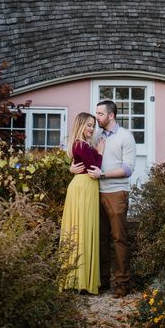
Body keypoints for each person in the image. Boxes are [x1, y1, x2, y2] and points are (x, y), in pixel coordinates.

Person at [72, 99, 136, 298]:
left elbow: (128, 169)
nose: (96, 117)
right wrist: (71, 168)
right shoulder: (96, 135)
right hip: (93, 193)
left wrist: (103, 174)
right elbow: (81, 156)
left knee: (119, 239)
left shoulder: (126, 137)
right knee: (98, 239)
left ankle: (122, 284)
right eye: (96, 114)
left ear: (111, 115)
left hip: (116, 193)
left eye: (100, 114)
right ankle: (102, 281)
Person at [59, 112, 105, 295]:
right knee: (83, 230)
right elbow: (94, 168)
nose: (91, 128)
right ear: (80, 125)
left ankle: (77, 279)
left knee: (82, 230)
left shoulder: (80, 145)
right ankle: (80, 281)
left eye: (93, 125)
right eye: (88, 125)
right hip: (84, 186)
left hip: (84, 186)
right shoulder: (81, 145)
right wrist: (100, 153)